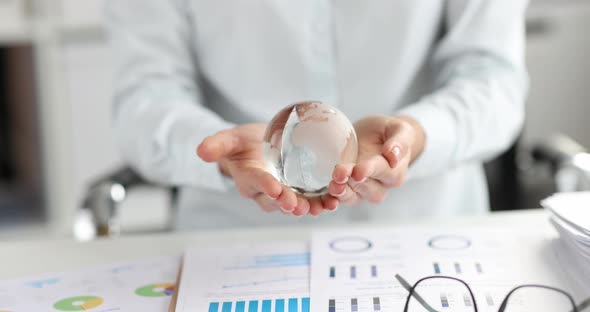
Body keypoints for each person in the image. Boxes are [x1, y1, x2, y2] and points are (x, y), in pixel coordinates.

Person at [105, 0, 528, 230]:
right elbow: (146, 95)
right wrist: (221, 147)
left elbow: (493, 79)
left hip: (429, 227)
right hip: (235, 237)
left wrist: (418, 135)